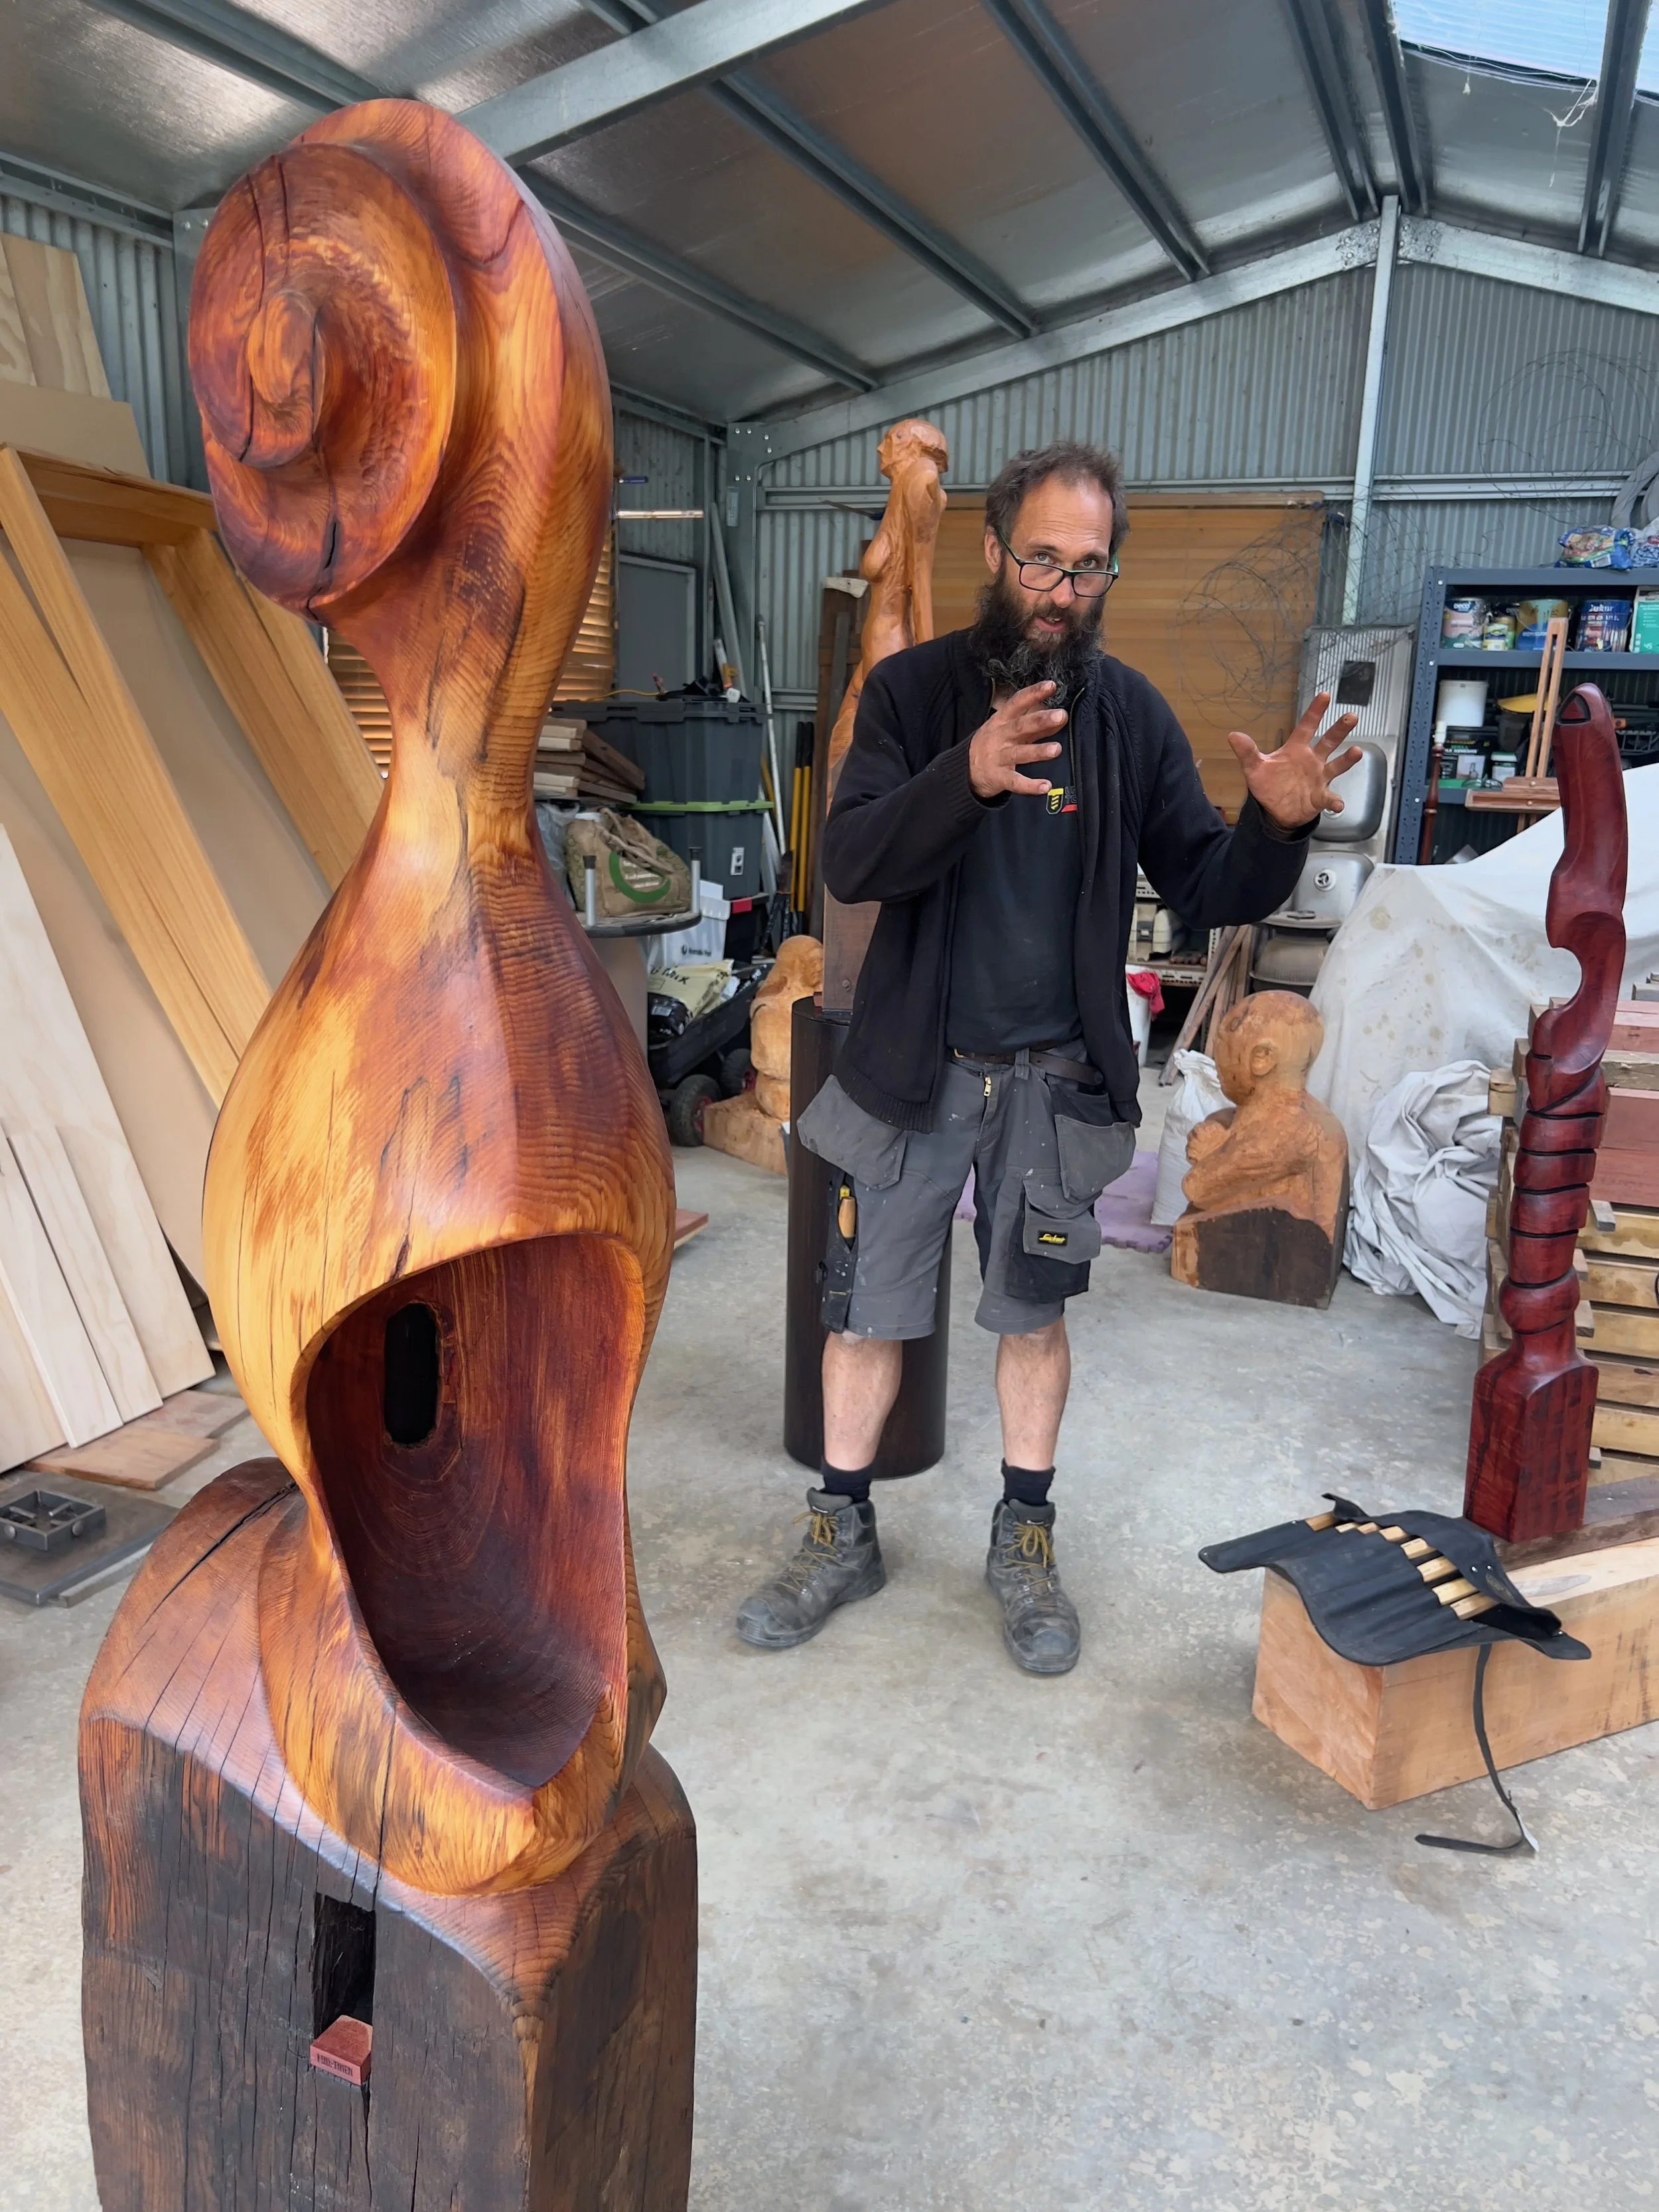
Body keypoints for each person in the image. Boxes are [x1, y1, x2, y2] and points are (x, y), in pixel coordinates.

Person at [736, 441, 1360, 1674]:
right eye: (1041, 561)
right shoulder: (915, 696)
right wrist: (965, 776)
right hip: (916, 1070)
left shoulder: (1125, 715)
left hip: (1052, 1084)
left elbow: (1205, 884)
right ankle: (840, 1530)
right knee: (864, 1313)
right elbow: (853, 860)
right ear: (993, 555)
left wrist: (1275, 828)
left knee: (1034, 1317)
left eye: (1088, 567)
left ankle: (1024, 1536)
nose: (1063, 591)